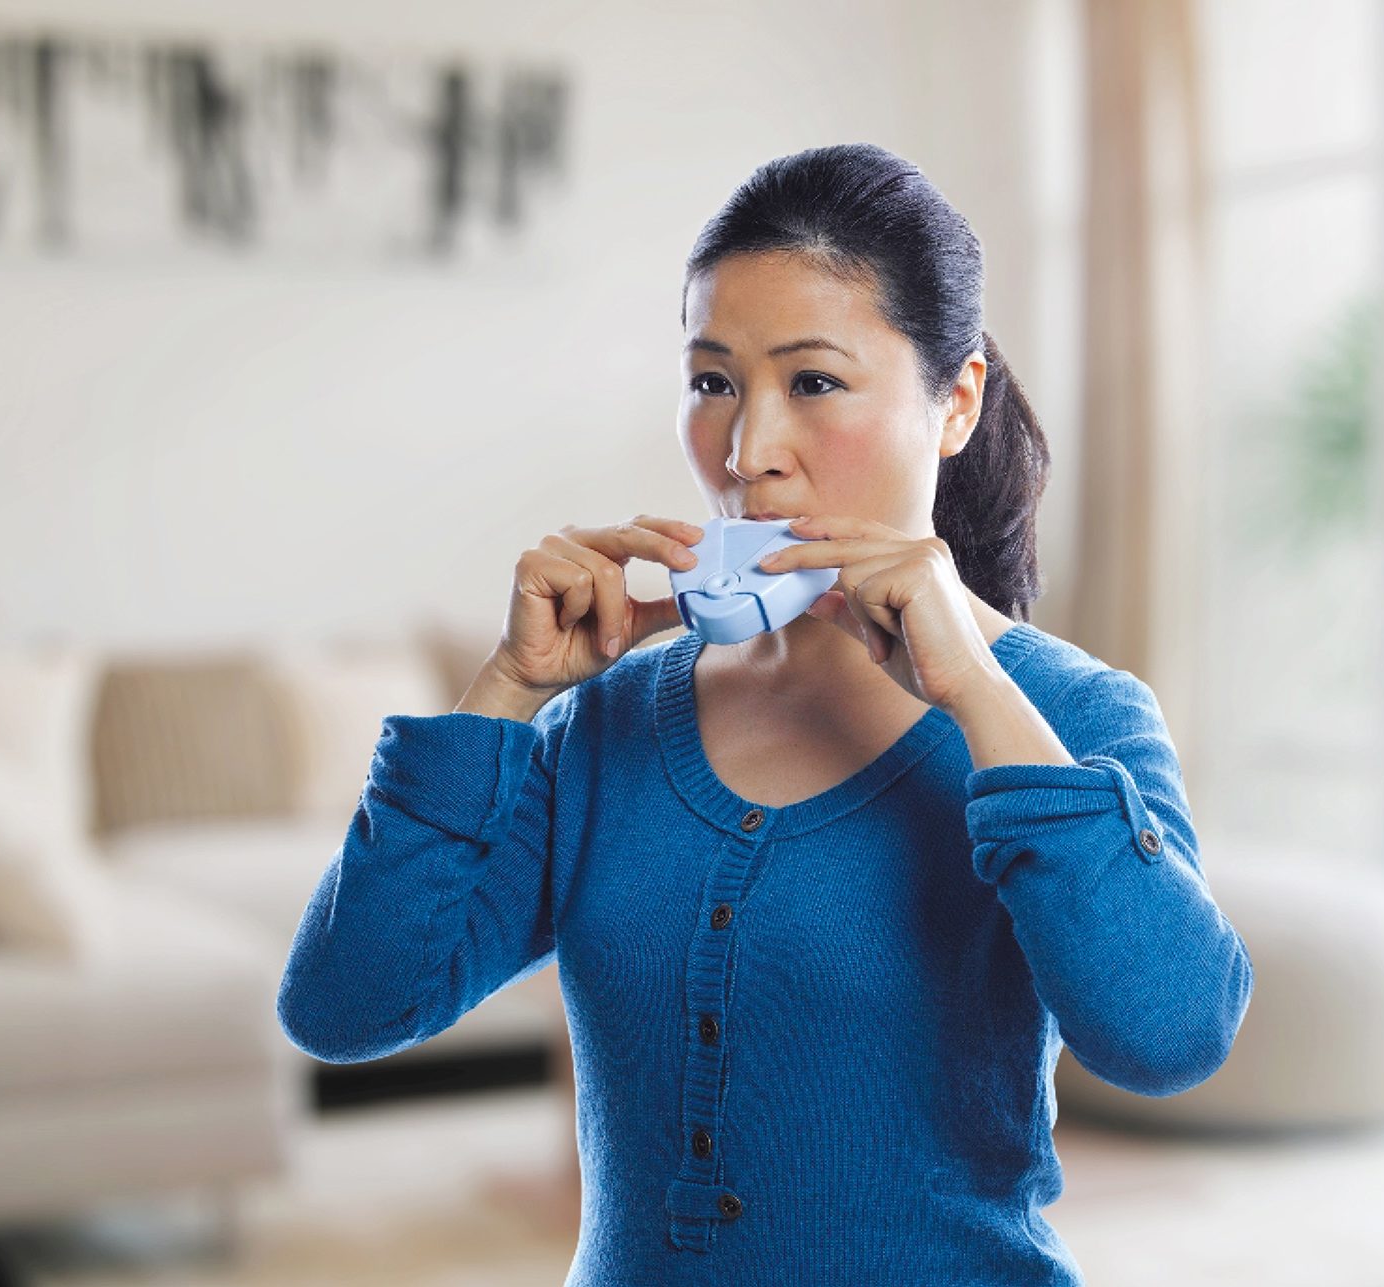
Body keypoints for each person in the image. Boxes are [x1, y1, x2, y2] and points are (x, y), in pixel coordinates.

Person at [277, 142, 1254, 1285]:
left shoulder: (1070, 711)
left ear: (955, 402)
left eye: (814, 382)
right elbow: (344, 1006)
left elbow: (1171, 1038)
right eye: (711, 382)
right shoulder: (606, 726)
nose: (745, 453)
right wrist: (504, 691)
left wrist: (977, 697)